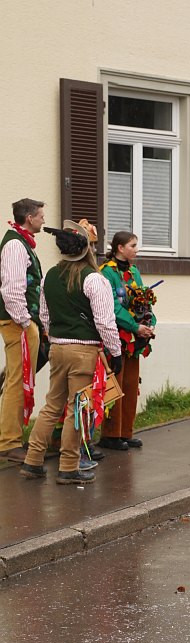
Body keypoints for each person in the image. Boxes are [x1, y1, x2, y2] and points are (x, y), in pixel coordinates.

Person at [19, 225, 122, 484]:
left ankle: (33, 461)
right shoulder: (94, 279)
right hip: (83, 350)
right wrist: (115, 351)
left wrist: (53, 337)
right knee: (77, 408)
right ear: (86, 248)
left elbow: (44, 316)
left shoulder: (49, 276)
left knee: (52, 405)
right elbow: (105, 322)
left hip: (57, 348)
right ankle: (68, 466)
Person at [99, 231, 157, 450]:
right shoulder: (106, 272)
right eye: (132, 245)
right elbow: (111, 305)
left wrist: (149, 323)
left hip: (134, 338)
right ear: (120, 248)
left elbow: (143, 300)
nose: (136, 249)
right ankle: (110, 434)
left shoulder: (134, 271)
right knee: (116, 382)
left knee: (131, 384)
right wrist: (133, 326)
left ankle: (126, 431)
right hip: (116, 336)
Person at [0, 198, 44, 463]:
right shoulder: (16, 245)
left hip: (21, 322)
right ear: (29, 218)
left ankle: (11, 435)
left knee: (17, 378)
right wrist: (26, 322)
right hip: (18, 322)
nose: (43, 221)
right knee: (17, 380)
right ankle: (8, 442)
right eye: (40, 216)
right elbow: (11, 289)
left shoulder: (20, 241)